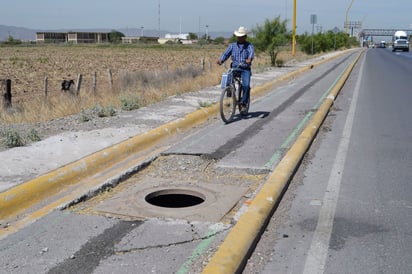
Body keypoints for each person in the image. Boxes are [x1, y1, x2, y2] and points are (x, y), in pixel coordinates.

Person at [217, 26, 254, 114]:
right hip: (235, 68)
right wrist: (221, 60)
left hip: (245, 69)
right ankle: (229, 91)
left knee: (246, 86)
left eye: (242, 36)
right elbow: (226, 54)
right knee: (227, 77)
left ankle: (244, 104)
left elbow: (251, 54)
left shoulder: (249, 46)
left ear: (245, 37)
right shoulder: (232, 46)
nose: (240, 38)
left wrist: (249, 59)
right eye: (239, 36)